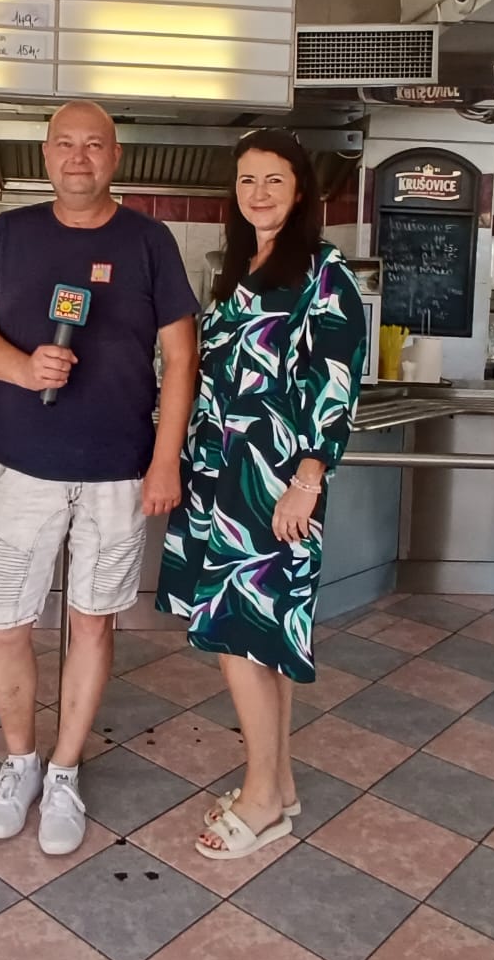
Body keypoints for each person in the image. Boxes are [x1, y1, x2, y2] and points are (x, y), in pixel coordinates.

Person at [0, 102, 198, 855]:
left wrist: (165, 458)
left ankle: (64, 771)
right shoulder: (10, 233)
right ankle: (19, 762)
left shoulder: (150, 241)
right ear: (46, 155)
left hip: (118, 469)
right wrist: (23, 367)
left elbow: (181, 358)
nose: (79, 157)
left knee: (93, 621)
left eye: (94, 145)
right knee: (6, 623)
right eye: (65, 144)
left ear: (115, 157)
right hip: (25, 464)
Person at [156, 129, 368, 860]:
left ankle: (260, 797)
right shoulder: (242, 270)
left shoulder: (324, 273)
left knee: (240, 638)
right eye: (247, 180)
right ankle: (278, 787)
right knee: (262, 641)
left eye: (274, 179)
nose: (259, 193)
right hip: (219, 477)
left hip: (274, 485)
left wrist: (309, 480)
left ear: (300, 190)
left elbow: (337, 383)